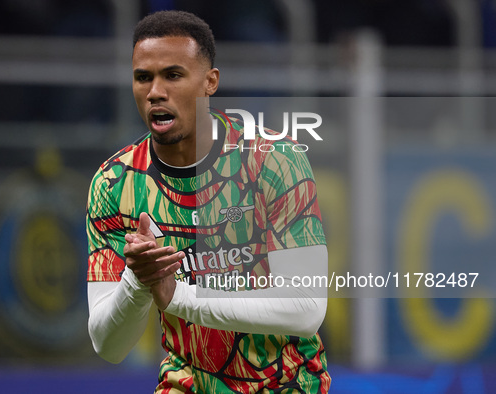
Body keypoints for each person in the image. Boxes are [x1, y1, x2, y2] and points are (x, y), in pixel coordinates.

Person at [86, 10, 330, 393]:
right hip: (187, 383)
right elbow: (108, 346)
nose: (155, 92)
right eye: (143, 77)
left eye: (173, 75)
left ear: (209, 82)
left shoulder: (274, 160)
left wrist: (178, 296)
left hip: (286, 385)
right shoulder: (114, 184)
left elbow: (305, 309)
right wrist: (139, 279)